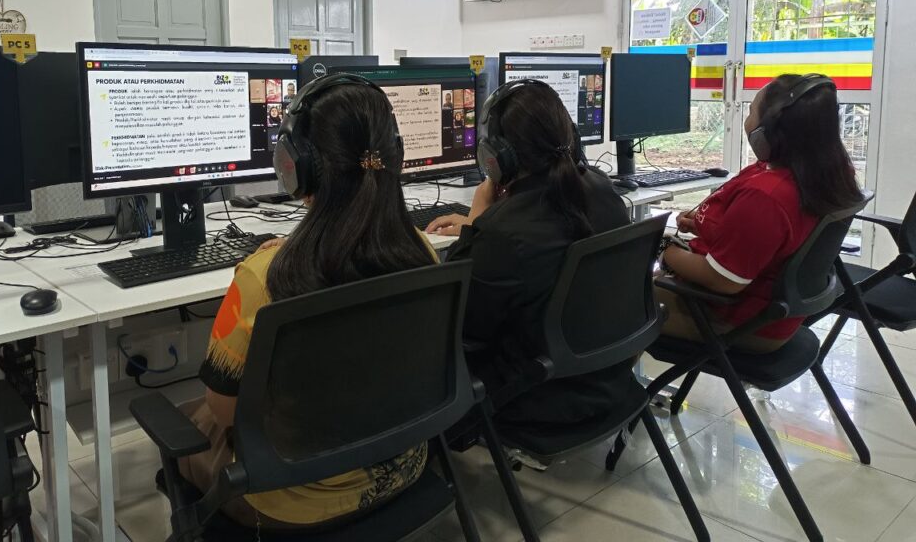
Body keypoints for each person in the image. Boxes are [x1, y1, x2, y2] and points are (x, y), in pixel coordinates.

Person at [179, 75, 435, 531]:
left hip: (291, 499)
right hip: (404, 467)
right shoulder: (423, 251)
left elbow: (225, 412)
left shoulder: (264, 276)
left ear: (297, 168)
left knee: (192, 418)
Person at [426, 79, 631, 434]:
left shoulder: (505, 233)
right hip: (607, 375)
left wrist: (477, 222)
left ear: (495, 158)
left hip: (537, 394)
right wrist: (485, 222)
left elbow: (457, 324)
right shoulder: (603, 190)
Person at [659, 74, 863, 352]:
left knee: (614, 302)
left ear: (769, 129)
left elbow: (724, 280)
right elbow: (769, 238)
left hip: (736, 319)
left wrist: (664, 247)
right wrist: (706, 225)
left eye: (752, 112)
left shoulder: (767, 196)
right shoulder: (827, 173)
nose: (747, 121)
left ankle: (618, 380)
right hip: (773, 312)